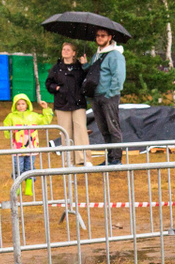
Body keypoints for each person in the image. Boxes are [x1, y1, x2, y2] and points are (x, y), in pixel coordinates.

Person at [44, 42, 90, 165]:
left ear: (74, 53)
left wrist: (86, 65)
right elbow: (48, 84)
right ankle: (68, 161)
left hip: (78, 103)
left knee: (81, 130)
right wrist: (57, 88)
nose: (65, 51)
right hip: (62, 104)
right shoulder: (56, 68)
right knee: (65, 133)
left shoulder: (79, 67)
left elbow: (89, 80)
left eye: (68, 50)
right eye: (63, 49)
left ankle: (83, 159)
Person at [90, 29, 127, 165]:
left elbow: (119, 77)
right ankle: (109, 158)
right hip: (96, 97)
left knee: (113, 128)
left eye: (103, 36)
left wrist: (109, 94)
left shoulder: (115, 55)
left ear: (109, 37)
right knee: (104, 129)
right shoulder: (96, 55)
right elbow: (93, 73)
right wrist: (85, 64)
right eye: (97, 35)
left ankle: (116, 159)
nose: (99, 38)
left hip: (109, 97)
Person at [3, 93, 49, 195]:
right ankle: (17, 187)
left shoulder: (33, 116)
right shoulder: (11, 117)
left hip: (31, 147)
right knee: (18, 167)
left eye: (23, 104)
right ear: (15, 105)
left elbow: (45, 121)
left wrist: (46, 109)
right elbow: (6, 129)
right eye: (18, 104)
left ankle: (29, 187)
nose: (21, 106)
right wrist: (9, 132)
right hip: (18, 148)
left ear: (27, 104)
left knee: (30, 167)